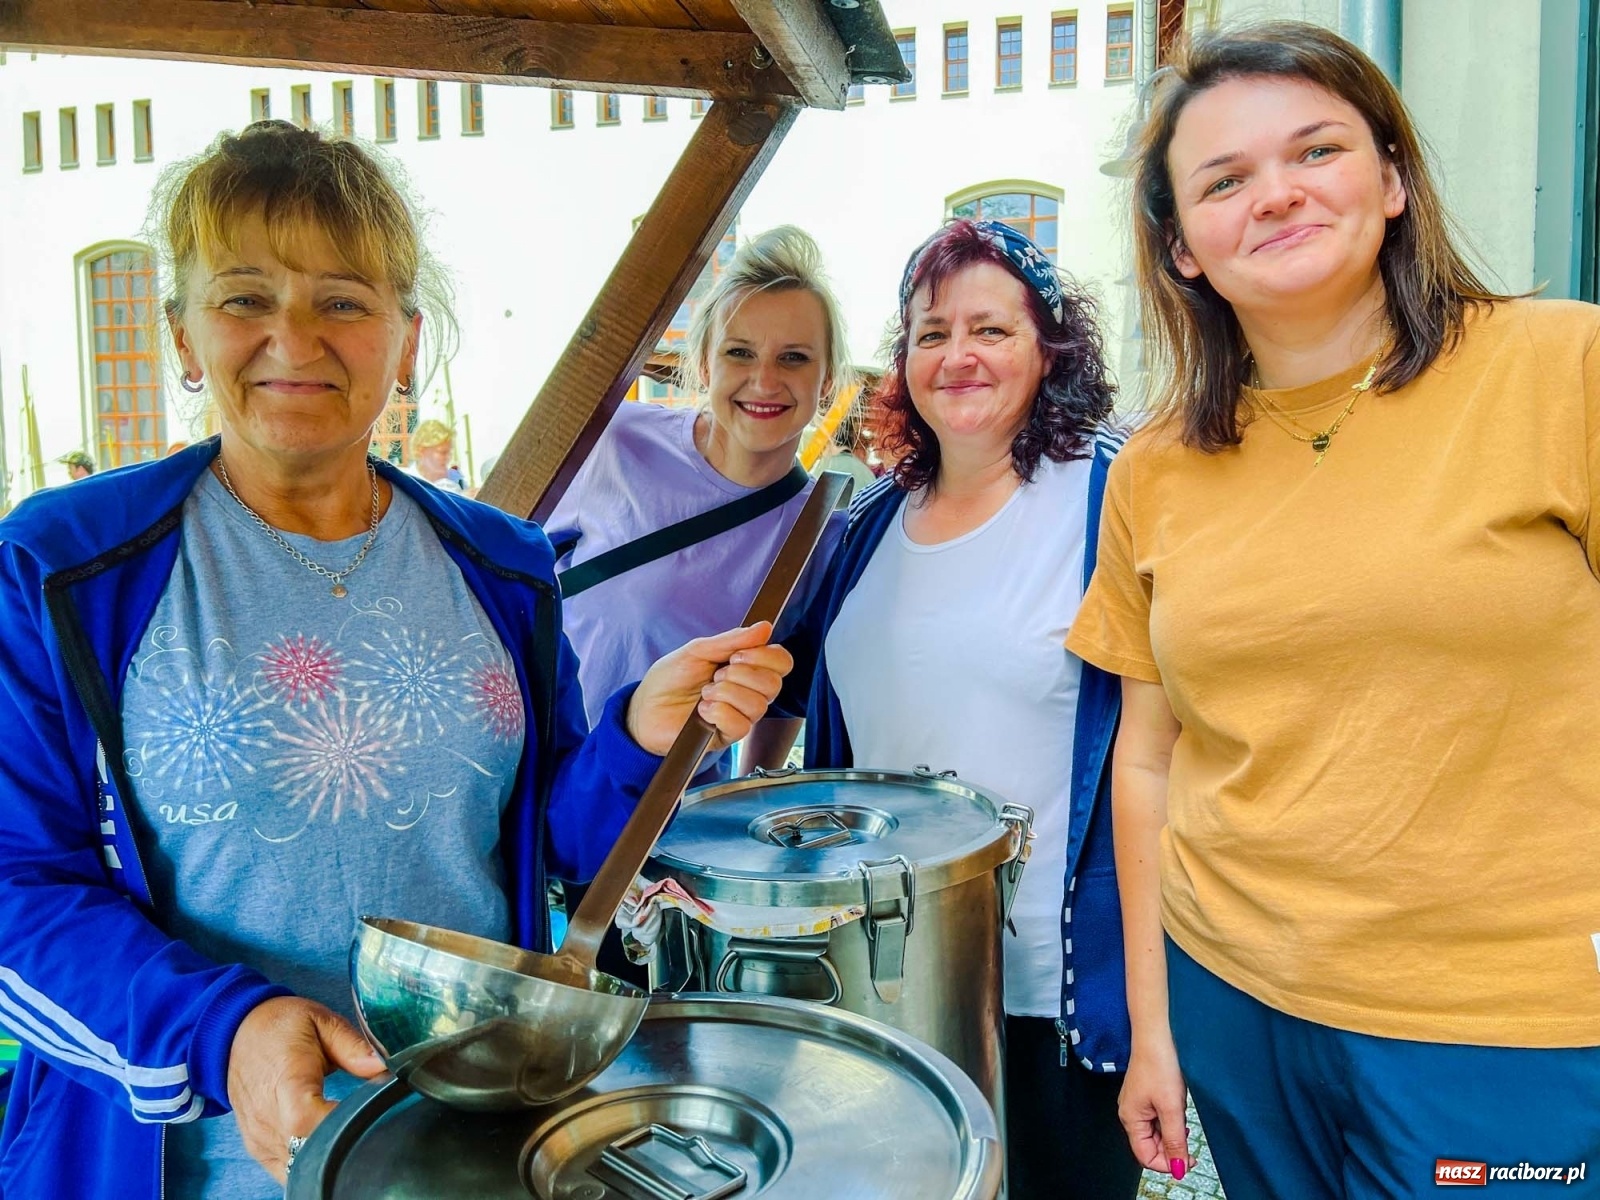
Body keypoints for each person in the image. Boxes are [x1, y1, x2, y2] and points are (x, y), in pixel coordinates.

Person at [0, 120, 792, 1200]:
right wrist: (226, 1031)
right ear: (183, 337)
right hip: (180, 1164)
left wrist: (640, 737)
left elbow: (551, 844)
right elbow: (17, 888)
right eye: (243, 298)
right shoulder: (64, 569)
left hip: (462, 1151)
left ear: (405, 340)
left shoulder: (500, 564)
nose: (294, 337)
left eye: (343, 300)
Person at [1065, 23, 1600, 1199]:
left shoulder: (1561, 368)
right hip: (1232, 1001)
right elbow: (1147, 762)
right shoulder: (1154, 465)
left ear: (1394, 179)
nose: (1277, 195)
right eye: (1224, 179)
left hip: (1502, 1020)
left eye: (1315, 149)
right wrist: (1153, 1032)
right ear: (1185, 248)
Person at [782, 219, 1139, 1199]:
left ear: (1048, 346)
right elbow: (792, 713)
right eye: (931, 334)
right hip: (879, 975)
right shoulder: (863, 528)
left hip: (1048, 995)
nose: (958, 356)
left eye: (991, 329)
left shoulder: (1112, 495)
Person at [545, 225, 852, 782]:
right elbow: (510, 585)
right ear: (707, 364)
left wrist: (748, 801)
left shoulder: (823, 536)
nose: (764, 380)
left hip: (667, 817)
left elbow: (784, 692)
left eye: (794, 358)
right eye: (740, 353)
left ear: (826, 380)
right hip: (540, 774)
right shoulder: (615, 442)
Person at [406, 417, 466, 491]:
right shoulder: (404, 484)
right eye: (443, 452)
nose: (448, 457)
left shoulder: (451, 487)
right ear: (420, 450)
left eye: (449, 452)